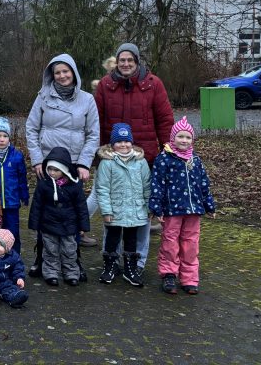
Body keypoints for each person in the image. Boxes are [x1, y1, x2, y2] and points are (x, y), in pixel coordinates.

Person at [93, 43, 174, 269]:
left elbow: (165, 119)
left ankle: (136, 261)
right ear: (116, 62)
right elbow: (96, 121)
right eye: (122, 60)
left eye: (130, 60)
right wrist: (98, 154)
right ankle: (112, 258)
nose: (126, 64)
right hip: (113, 158)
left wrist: (168, 152)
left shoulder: (153, 84)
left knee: (141, 213)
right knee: (113, 210)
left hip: (144, 158)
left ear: (137, 61)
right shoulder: (105, 85)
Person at [25, 53, 100, 275]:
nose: (62, 76)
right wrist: (37, 159)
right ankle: (42, 259)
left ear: (73, 72)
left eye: (65, 71)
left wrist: (85, 163)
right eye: (57, 72)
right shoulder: (42, 98)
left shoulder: (87, 100)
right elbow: (31, 128)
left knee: (72, 214)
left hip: (75, 164)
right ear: (51, 75)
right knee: (45, 211)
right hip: (48, 165)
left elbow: (93, 134)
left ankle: (72, 261)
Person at [149, 117, 216, 295]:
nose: (184, 140)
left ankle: (189, 277)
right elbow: (157, 184)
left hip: (194, 210)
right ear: (173, 137)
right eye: (180, 136)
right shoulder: (164, 159)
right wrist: (156, 207)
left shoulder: (196, 160)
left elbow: (204, 184)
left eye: (188, 137)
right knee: (170, 242)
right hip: (172, 209)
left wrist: (209, 205)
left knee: (191, 244)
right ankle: (169, 274)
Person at [95, 123, 150, 287]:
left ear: (131, 142)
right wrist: (106, 210)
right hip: (115, 210)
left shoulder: (141, 162)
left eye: (126, 141)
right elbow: (102, 188)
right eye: (119, 142)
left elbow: (147, 185)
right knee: (112, 238)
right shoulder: (107, 163)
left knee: (131, 239)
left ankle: (130, 268)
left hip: (135, 210)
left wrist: (148, 207)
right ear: (113, 144)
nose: (123, 145)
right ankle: (110, 266)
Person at [27, 147, 90, 287]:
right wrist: (34, 224)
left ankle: (71, 273)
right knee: (50, 250)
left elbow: (81, 207)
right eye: (49, 169)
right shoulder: (44, 184)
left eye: (56, 170)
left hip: (69, 225)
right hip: (48, 224)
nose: (52, 173)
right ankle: (50, 273)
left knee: (69, 250)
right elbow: (37, 205)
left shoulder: (74, 185)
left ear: (65, 170)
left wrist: (83, 226)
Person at [0, 116, 29, 254]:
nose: (2, 139)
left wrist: (24, 194)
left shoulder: (16, 155)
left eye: (5, 136)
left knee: (12, 232)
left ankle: (13, 259)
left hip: (11, 202)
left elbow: (22, 177)